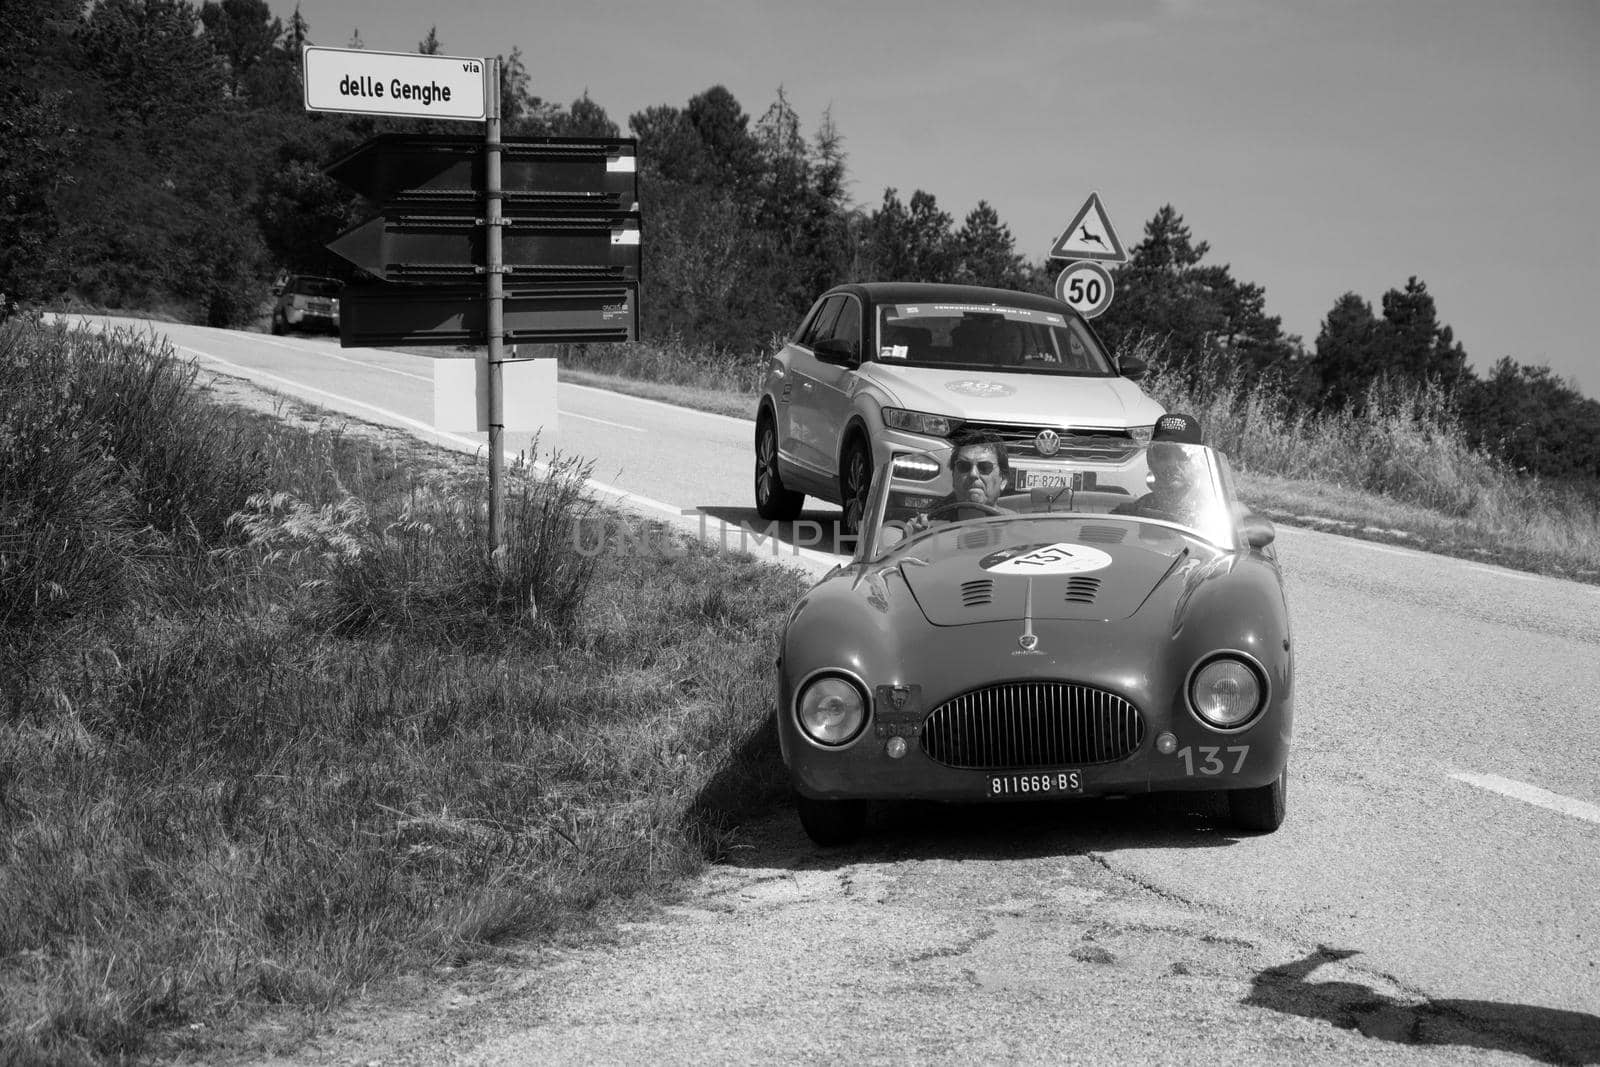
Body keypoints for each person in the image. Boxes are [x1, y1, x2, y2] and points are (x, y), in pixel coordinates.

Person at [1113, 412, 1208, 524]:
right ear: (1151, 461)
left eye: (1182, 456)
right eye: (1163, 454)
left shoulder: (1212, 519)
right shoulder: (1129, 515)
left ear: (1198, 461)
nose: (1171, 463)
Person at [907, 431, 1014, 529]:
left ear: (1003, 480)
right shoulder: (929, 528)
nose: (973, 474)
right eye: (963, 466)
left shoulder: (1018, 527)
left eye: (984, 467)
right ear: (953, 476)